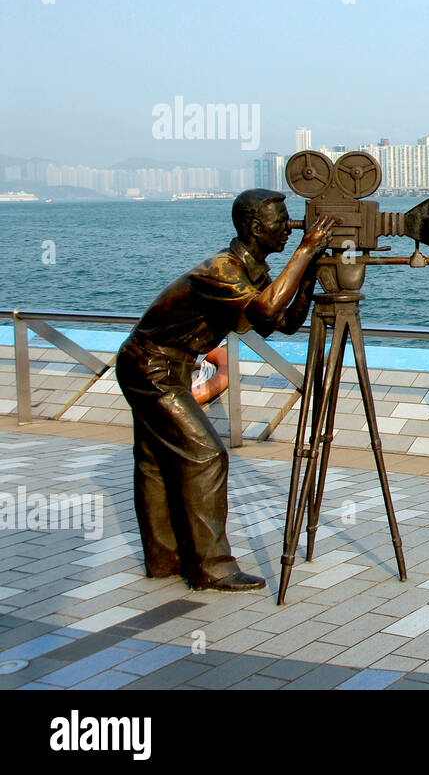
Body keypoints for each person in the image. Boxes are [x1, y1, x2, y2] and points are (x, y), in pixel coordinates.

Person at [116, 190, 335, 591]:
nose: (289, 227)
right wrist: (303, 253)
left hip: (171, 365)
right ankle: (211, 567)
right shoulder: (222, 269)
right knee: (206, 455)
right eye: (280, 221)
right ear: (254, 227)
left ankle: (165, 559)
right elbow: (267, 310)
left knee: (156, 462)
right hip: (151, 366)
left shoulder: (254, 272)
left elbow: (279, 324)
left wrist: (306, 276)